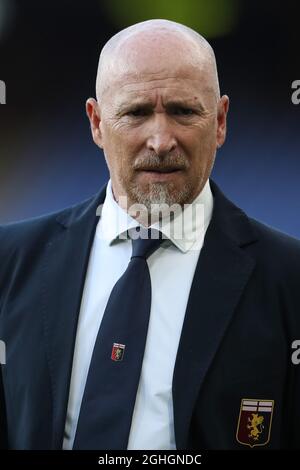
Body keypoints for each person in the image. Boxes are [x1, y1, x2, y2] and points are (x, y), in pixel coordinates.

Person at [0, 19, 300, 450]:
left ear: (219, 121)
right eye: (136, 112)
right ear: (97, 123)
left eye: (183, 111)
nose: (160, 140)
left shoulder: (288, 280)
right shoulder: (11, 262)